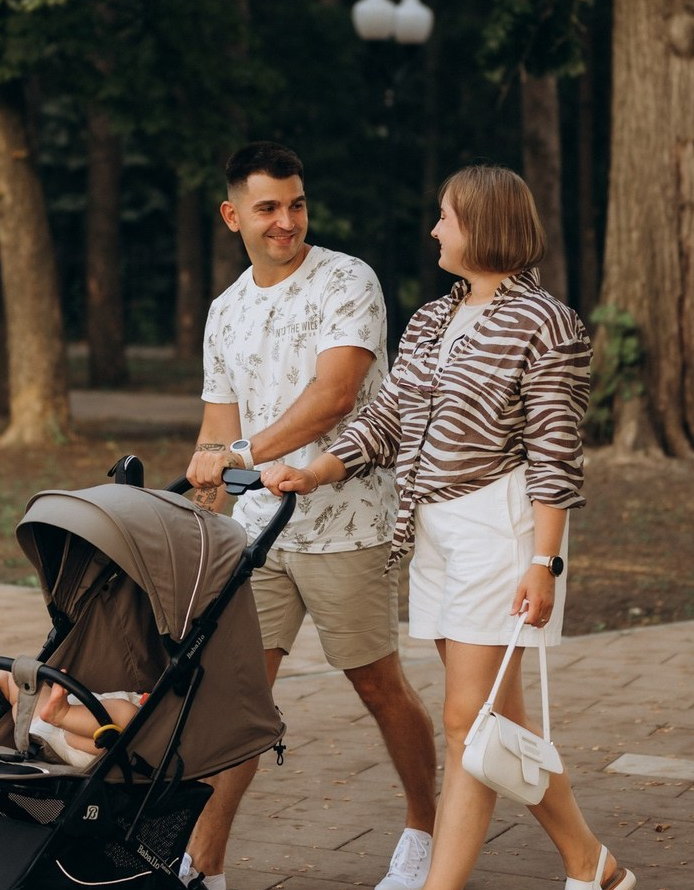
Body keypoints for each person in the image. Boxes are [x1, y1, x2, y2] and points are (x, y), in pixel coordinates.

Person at [262, 165, 636, 890]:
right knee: (494, 720)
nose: (434, 229)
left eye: (446, 217)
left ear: (484, 225)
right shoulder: (434, 318)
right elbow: (388, 419)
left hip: (501, 527)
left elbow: (558, 454)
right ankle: (592, 865)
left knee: (468, 718)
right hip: (430, 530)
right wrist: (317, 469)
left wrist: (545, 564)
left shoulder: (548, 324)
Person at [182, 141, 438, 890]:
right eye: (268, 207)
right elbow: (215, 430)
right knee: (237, 699)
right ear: (234, 216)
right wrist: (207, 494)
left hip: (349, 521)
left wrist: (233, 449)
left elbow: (335, 395)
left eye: (296, 204)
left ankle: (423, 829)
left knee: (376, 683)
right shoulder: (225, 311)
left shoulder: (346, 280)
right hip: (258, 533)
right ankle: (205, 865)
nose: (286, 221)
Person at [0, 678, 146, 771]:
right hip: (44, 726)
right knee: (15, 677)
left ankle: (62, 714)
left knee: (127, 715)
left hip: (99, 747)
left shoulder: (144, 709)